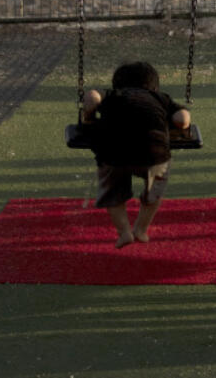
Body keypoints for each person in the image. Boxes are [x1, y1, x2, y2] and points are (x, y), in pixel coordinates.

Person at [80, 60, 192, 248]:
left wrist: (88, 118)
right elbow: (182, 118)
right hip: (153, 152)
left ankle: (124, 232)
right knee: (154, 191)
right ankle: (140, 229)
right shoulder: (161, 98)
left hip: (114, 152)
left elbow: (92, 97)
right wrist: (178, 125)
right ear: (154, 86)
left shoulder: (113, 95)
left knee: (113, 193)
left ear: (117, 84)